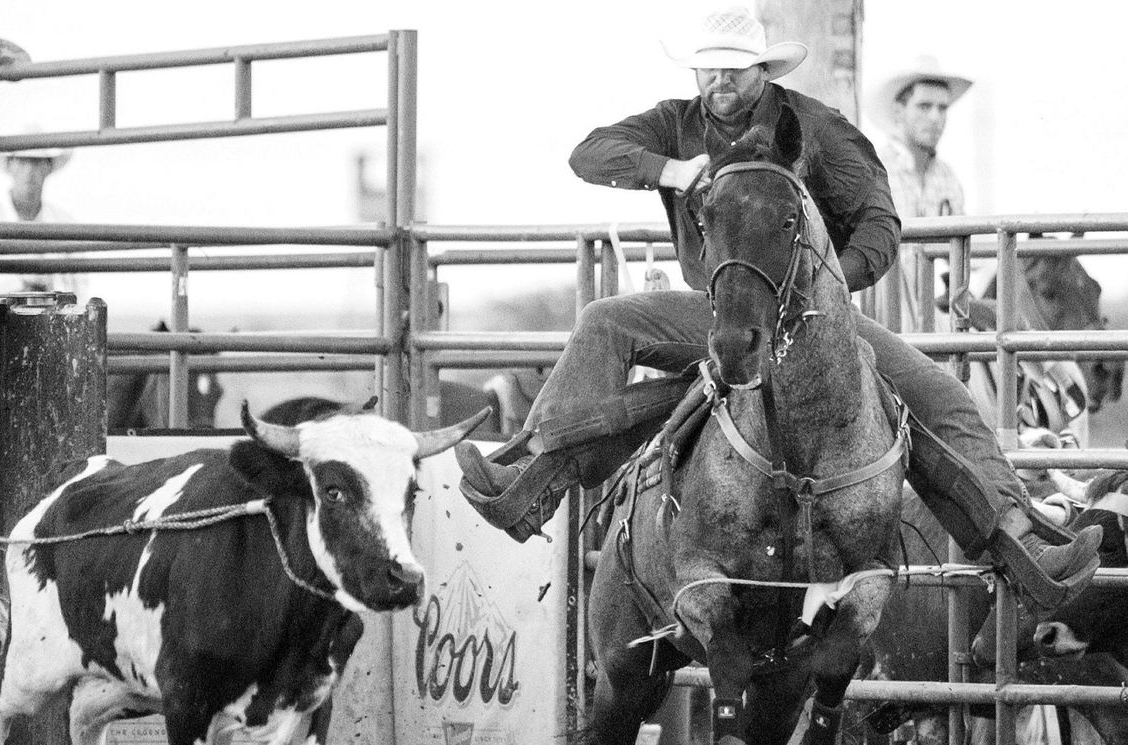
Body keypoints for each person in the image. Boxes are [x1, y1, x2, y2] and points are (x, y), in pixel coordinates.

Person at [454, 5, 1100, 609]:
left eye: (732, 69)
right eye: (707, 68)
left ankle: (1023, 541)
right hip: (720, 309)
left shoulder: (813, 129)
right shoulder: (677, 125)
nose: (718, 82)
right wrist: (667, 170)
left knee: (940, 395)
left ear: (762, 70)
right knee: (604, 322)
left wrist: (831, 284)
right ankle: (530, 480)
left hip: (817, 319)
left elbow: (879, 222)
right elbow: (587, 153)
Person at [867, 54, 972, 332]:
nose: (936, 118)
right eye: (924, 106)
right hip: (882, 317)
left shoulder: (947, 178)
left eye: (942, 108)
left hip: (934, 316)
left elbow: (959, 261)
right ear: (899, 112)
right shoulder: (874, 169)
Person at [0, 131, 86, 298]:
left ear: (47, 167)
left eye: (36, 162)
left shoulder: (64, 223)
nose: (29, 170)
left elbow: (80, 289)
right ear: (10, 165)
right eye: (22, 161)